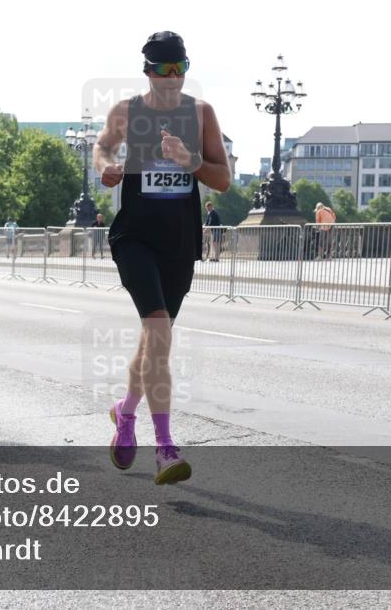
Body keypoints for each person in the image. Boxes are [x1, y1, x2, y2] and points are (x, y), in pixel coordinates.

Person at [95, 31, 231, 485]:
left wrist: (191, 160)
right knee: (158, 331)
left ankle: (125, 411)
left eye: (180, 68)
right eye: (163, 70)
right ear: (148, 71)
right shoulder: (128, 111)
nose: (173, 78)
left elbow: (223, 179)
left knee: (155, 340)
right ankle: (166, 447)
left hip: (179, 242)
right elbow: (102, 146)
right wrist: (106, 168)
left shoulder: (201, 113)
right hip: (135, 236)